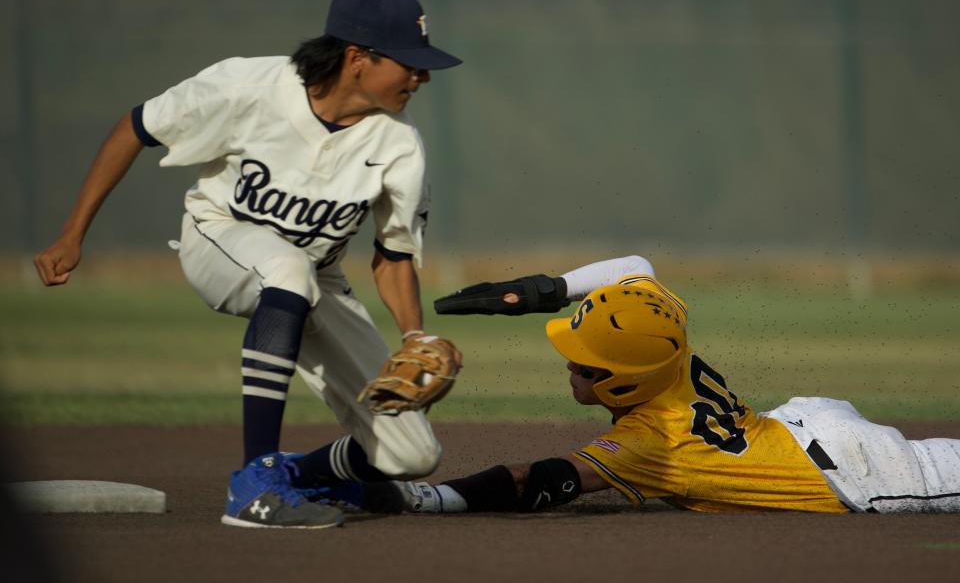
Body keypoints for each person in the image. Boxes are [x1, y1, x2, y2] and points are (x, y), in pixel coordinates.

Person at [33, 0, 463, 529]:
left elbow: (393, 256)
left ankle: (299, 475)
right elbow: (135, 128)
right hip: (219, 239)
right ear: (358, 58)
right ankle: (253, 483)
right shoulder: (247, 85)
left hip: (316, 280)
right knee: (287, 268)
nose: (421, 77)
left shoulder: (398, 146)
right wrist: (73, 233)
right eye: (410, 63)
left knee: (410, 456)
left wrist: (414, 337)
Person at [363, 255, 960, 515]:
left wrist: (424, 497)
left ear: (624, 384)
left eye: (585, 365)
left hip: (857, 475)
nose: (570, 367)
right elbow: (637, 270)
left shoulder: (655, 443)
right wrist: (544, 292)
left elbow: (536, 481)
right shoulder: (665, 342)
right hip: (797, 426)